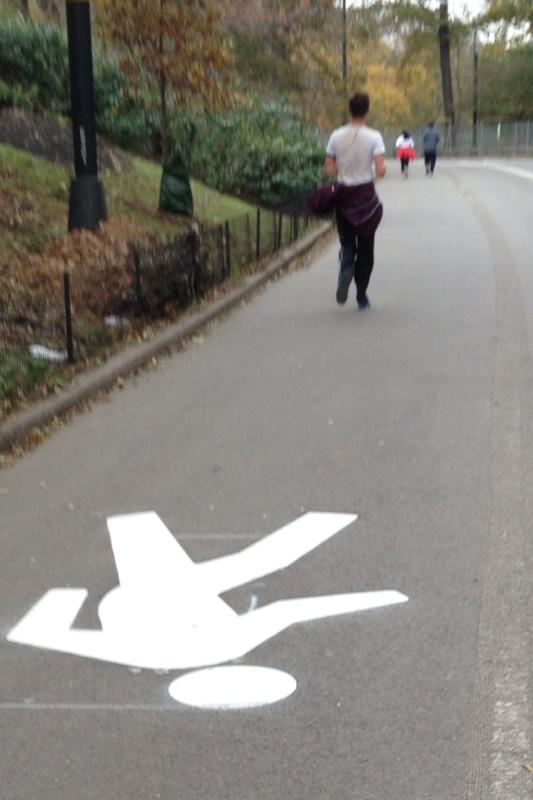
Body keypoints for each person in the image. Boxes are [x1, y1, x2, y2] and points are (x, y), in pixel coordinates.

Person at [323, 92, 386, 310]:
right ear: (367, 110)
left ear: (350, 110)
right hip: (365, 196)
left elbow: (328, 169)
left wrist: (343, 167)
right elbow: (380, 169)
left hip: (343, 196)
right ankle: (361, 296)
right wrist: (380, 169)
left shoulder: (335, 136)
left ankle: (346, 264)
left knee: (347, 241)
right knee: (366, 248)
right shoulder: (374, 137)